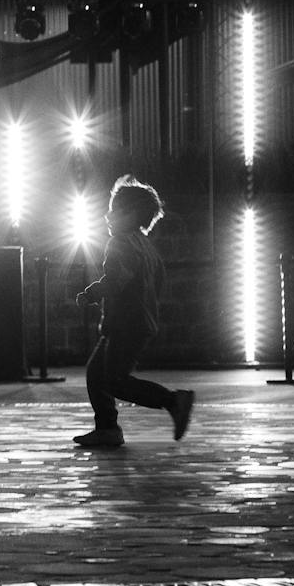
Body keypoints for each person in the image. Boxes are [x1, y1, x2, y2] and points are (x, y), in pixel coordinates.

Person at [70, 175, 196, 448]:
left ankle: (173, 401)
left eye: (115, 210)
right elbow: (159, 281)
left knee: (114, 380)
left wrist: (91, 294)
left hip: (125, 324)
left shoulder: (121, 244)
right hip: (137, 322)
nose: (108, 215)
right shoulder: (145, 246)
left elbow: (115, 281)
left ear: (132, 214)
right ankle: (107, 428)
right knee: (97, 373)